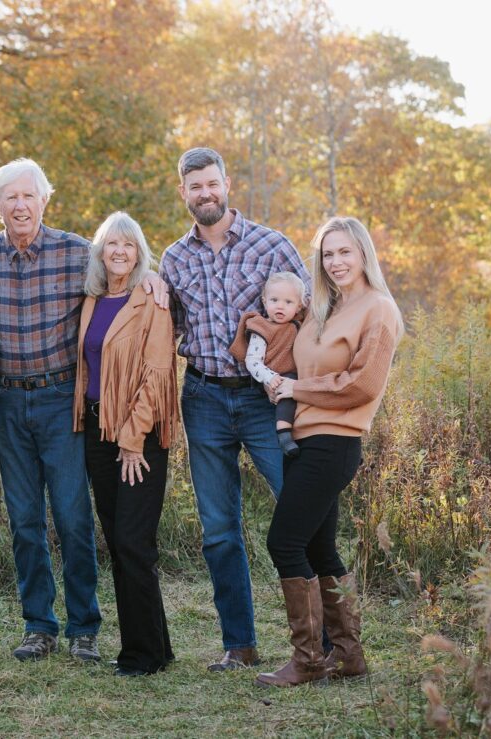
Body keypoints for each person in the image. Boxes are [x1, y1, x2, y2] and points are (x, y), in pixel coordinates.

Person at [0, 158, 166, 663]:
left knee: (74, 518)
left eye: (28, 195)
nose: (20, 205)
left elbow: (122, 273)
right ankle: (39, 625)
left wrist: (154, 279)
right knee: (24, 520)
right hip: (7, 400)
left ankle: (84, 627)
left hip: (61, 401)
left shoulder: (76, 253)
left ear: (44, 200)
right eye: (10, 197)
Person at [158, 147, 312, 671]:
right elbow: (167, 328)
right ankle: (240, 645)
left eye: (212, 183)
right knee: (219, 528)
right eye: (195, 186)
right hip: (202, 396)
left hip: (264, 398)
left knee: (298, 505)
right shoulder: (174, 259)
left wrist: (302, 383)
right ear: (183, 192)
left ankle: (323, 642)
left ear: (227, 184)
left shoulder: (272, 245)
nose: (205, 193)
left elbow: (310, 316)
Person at [257, 217, 402, 688]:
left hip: (334, 441)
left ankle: (307, 660)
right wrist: (277, 381)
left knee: (284, 542)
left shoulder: (378, 309)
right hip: (303, 439)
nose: (336, 262)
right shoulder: (326, 308)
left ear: (363, 254)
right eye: (327, 254)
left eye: (344, 252)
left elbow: (363, 384)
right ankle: (348, 656)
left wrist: (297, 389)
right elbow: (298, 365)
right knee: (318, 547)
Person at [71, 212, 179, 677]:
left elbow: (157, 375)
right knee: (119, 542)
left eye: (128, 245)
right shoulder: (92, 300)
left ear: (139, 253)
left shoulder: (151, 300)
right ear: (100, 252)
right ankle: (157, 646)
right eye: (111, 244)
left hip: (139, 434)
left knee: (135, 542)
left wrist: (133, 441)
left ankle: (141, 656)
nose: (119, 251)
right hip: (97, 432)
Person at [228, 272, 308, 458]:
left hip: (301, 378)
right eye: (274, 300)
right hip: (277, 377)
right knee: (286, 392)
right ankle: (284, 434)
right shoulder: (262, 328)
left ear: (299, 306)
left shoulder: (298, 325)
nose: (280, 306)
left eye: (288, 302)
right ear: (264, 302)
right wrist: (269, 377)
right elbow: (252, 361)